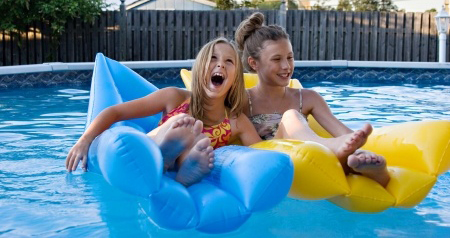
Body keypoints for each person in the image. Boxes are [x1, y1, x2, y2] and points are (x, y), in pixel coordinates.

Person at [66, 37, 262, 187]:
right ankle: (164, 152)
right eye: (213, 58)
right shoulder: (174, 97)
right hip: (150, 147)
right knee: (183, 125)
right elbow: (115, 112)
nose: (220, 64)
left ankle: (184, 169)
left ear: (236, 76)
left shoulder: (237, 121)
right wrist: (85, 139)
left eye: (229, 61)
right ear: (200, 67)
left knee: (198, 142)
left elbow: (264, 154)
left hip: (185, 163)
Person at [235, 12, 390, 187]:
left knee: (346, 154)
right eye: (277, 59)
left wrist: (358, 150)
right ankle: (334, 149)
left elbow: (344, 133)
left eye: (290, 57)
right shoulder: (241, 100)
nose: (286, 66)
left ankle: (370, 170)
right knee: (291, 116)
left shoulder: (307, 98)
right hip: (271, 166)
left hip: (310, 161)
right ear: (254, 63)